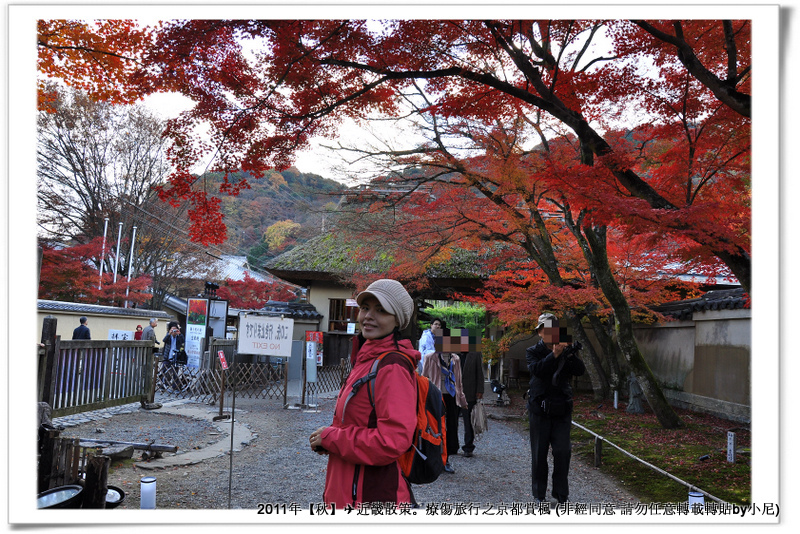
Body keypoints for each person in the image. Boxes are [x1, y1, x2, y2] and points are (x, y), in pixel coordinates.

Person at [309, 279, 420, 509]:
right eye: (365, 308)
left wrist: (332, 438)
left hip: (371, 494)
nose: (369, 316)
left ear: (397, 320)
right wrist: (328, 440)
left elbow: (392, 441)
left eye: (381, 310)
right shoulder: (366, 358)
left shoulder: (392, 366)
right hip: (348, 487)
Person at [525, 313, 585, 504]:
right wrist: (554, 355)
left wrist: (569, 354)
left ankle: (561, 493)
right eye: (547, 328)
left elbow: (580, 370)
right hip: (539, 409)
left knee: (562, 452)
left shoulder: (566, 349)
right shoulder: (532, 351)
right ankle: (539, 494)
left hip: (562, 409)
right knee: (539, 452)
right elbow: (538, 371)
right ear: (541, 332)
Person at [422, 346, 466, 473]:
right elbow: (424, 378)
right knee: (436, 428)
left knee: (452, 427)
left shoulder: (455, 358)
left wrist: (462, 399)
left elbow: (459, 380)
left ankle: (446, 459)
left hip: (451, 396)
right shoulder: (430, 358)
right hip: (437, 396)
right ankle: (436, 460)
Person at [459, 351, 485, 457]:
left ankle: (468, 447)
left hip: (469, 391)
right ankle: (451, 445)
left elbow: (480, 372)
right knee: (451, 420)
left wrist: (480, 390)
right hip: (453, 391)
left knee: (469, 421)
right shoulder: (453, 352)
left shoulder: (476, 353)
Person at [161, 325, 185, 392]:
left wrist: (179, 334)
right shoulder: (168, 336)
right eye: (172, 329)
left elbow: (183, 341)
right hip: (167, 355)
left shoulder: (179, 336)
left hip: (176, 356)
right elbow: (164, 340)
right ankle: (162, 385)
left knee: (175, 372)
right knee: (164, 370)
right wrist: (169, 334)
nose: (174, 331)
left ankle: (175, 386)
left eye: (175, 330)